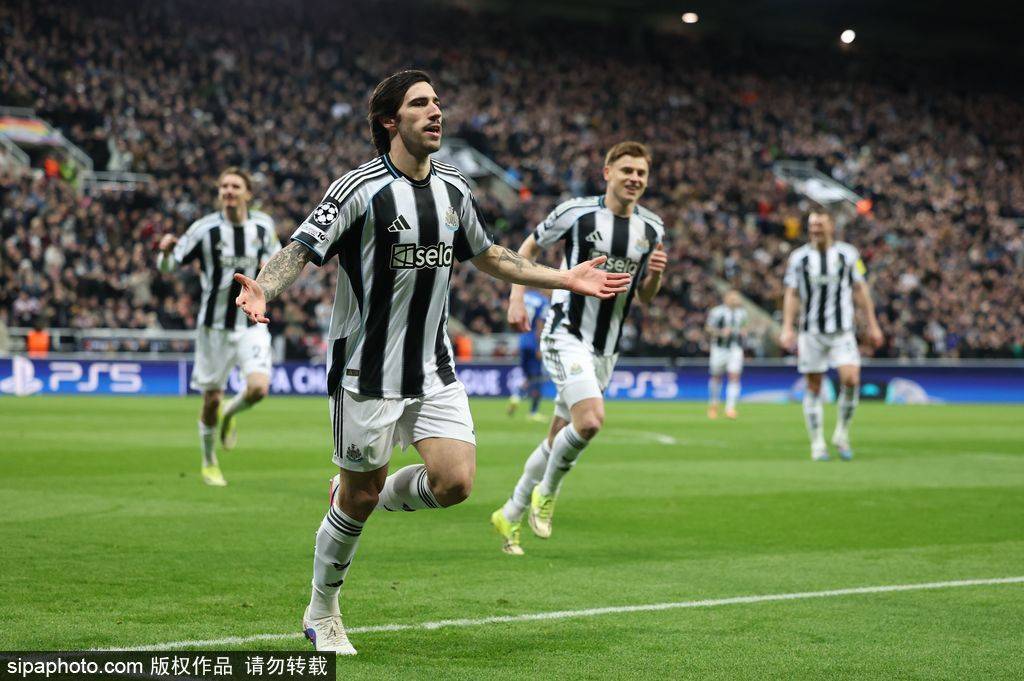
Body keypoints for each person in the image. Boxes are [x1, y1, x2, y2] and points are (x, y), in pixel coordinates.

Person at [232, 70, 632, 654]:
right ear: (390, 120)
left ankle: (353, 492)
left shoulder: (455, 189)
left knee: (455, 483)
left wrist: (563, 278)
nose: (436, 111)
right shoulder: (359, 189)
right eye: (421, 104)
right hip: (365, 372)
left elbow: (490, 255)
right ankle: (322, 609)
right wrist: (264, 286)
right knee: (359, 499)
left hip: (433, 369)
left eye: (438, 102)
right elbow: (300, 247)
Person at [491, 141, 667, 556]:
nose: (634, 179)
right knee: (589, 422)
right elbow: (528, 248)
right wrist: (517, 296)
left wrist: (656, 277)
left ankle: (510, 512)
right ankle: (547, 493)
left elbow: (644, 297)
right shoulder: (576, 212)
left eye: (641, 173)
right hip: (565, 331)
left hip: (606, 348)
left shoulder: (652, 229)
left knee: (558, 435)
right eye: (627, 170)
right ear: (607, 173)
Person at [157, 168, 280, 486]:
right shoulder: (204, 229)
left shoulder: (263, 226)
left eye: (235, 186)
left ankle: (230, 413)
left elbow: (277, 263)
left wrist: (267, 277)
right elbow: (168, 267)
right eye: (223, 185)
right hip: (214, 328)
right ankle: (209, 461)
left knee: (258, 389)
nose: (228, 190)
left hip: (251, 324)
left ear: (247, 193)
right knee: (210, 399)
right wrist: (165, 252)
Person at [779, 210, 884, 461]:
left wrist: (873, 324)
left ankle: (841, 434)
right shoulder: (799, 258)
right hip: (811, 332)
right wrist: (787, 327)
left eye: (820, 224)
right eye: (812, 225)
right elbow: (792, 293)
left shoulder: (848, 254)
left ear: (831, 226)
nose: (815, 229)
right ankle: (817, 443)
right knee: (814, 386)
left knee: (851, 379)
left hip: (842, 330)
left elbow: (860, 289)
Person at [507, 289, 549, 421]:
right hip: (533, 343)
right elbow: (540, 324)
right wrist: (539, 346)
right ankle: (533, 412)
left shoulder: (523, 297)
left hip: (522, 341)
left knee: (530, 377)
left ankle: (516, 396)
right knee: (538, 378)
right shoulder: (543, 301)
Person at [705, 290, 747, 419]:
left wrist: (743, 332)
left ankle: (730, 408)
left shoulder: (742, 313)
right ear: (726, 299)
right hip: (719, 348)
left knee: (734, 376)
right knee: (716, 377)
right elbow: (708, 328)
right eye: (733, 298)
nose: (735, 300)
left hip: (735, 348)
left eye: (737, 298)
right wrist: (720, 332)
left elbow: (744, 327)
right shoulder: (717, 312)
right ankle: (713, 404)